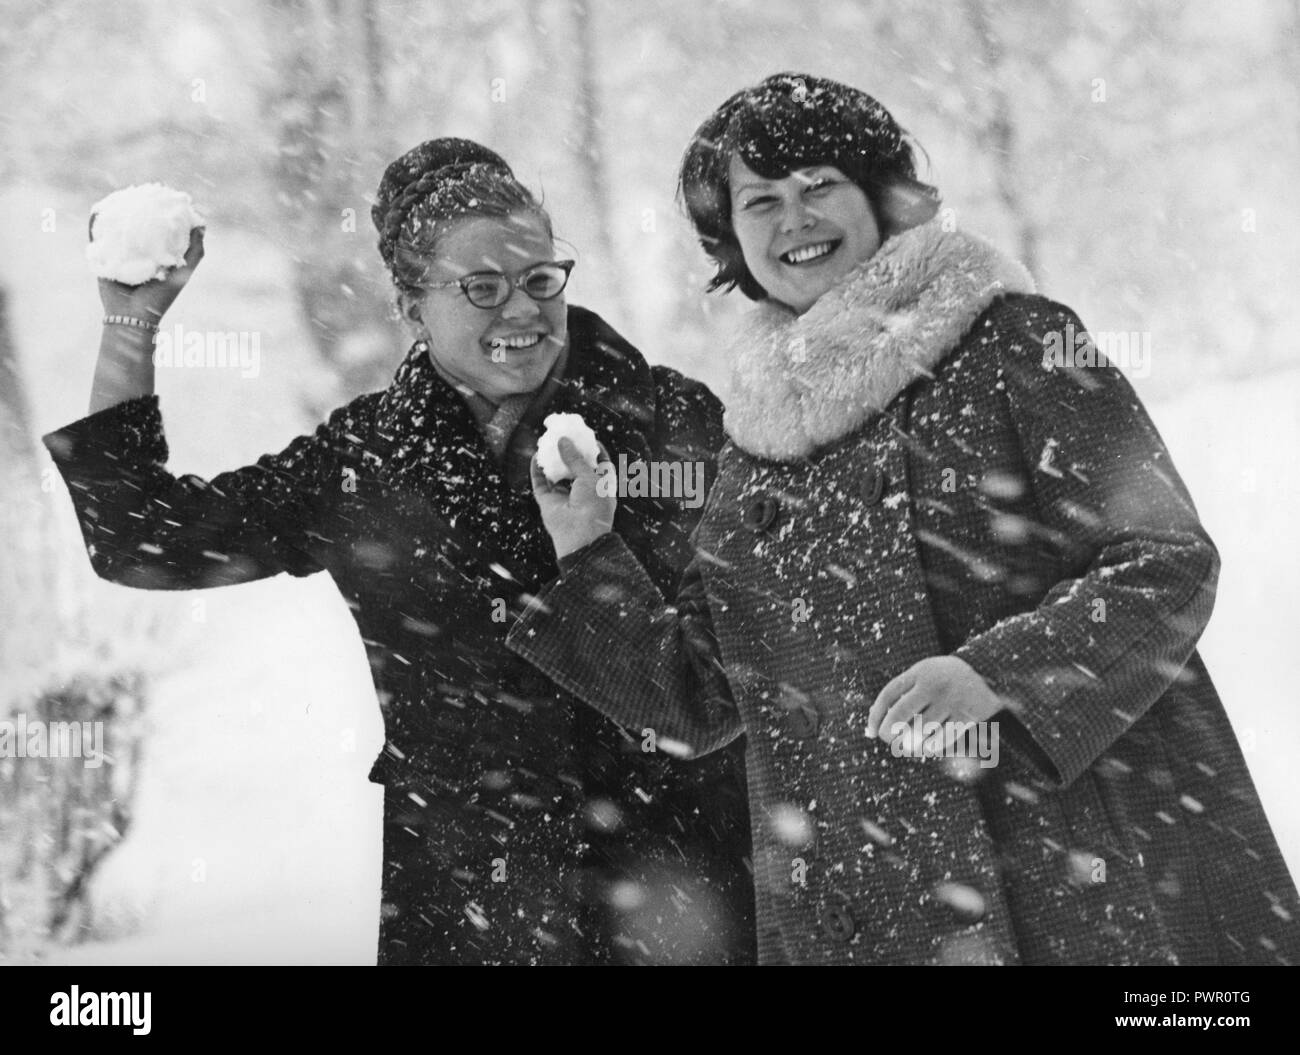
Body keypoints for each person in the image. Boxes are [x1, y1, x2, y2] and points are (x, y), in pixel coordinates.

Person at [507, 73, 1300, 965]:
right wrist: (586, 544)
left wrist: (998, 673)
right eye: (760, 201)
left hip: (1073, 876)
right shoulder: (756, 439)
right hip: (862, 911)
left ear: (882, 196)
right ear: (731, 240)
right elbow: (699, 701)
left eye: (819, 186)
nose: (793, 219)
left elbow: (1164, 561)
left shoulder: (1016, 342)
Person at [43, 138, 755, 965]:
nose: (521, 310)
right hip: (471, 904)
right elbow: (140, 536)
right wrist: (132, 320)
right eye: (481, 289)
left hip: (678, 894)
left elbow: (745, 660)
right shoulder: (367, 462)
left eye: (539, 280)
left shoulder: (672, 423)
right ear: (411, 306)